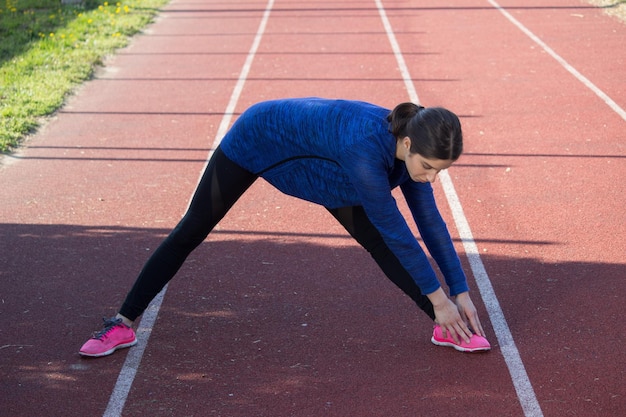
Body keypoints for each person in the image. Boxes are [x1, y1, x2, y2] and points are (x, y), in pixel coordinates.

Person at [79, 97, 491, 357]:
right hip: (260, 140)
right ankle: (123, 323)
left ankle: (445, 325)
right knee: (191, 229)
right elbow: (400, 233)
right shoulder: (366, 154)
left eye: (440, 172)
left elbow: (430, 223)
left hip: (328, 170)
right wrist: (440, 296)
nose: (431, 179)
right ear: (406, 145)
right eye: (429, 168)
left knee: (382, 245)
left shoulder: (412, 157)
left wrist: (458, 290)